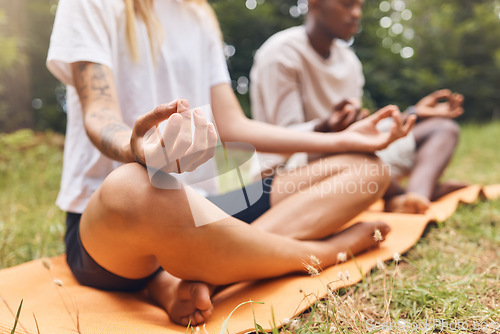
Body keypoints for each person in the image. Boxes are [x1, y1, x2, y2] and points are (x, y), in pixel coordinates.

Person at [47, 0, 415, 327]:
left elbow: (233, 126)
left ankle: (202, 278)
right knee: (133, 185)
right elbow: (98, 115)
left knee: (367, 169)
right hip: (120, 224)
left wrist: (342, 141)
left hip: (207, 213)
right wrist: (137, 147)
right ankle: (317, 254)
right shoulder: (89, 3)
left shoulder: (199, 14)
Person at [250, 0, 467, 214]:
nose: (356, 14)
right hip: (285, 170)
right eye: (347, 4)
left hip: (347, 153)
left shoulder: (349, 61)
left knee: (442, 128)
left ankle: (417, 196)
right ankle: (401, 195)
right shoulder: (281, 53)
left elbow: (361, 130)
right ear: (314, 4)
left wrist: (413, 114)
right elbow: (282, 138)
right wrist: (326, 127)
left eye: (360, 6)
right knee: (351, 147)